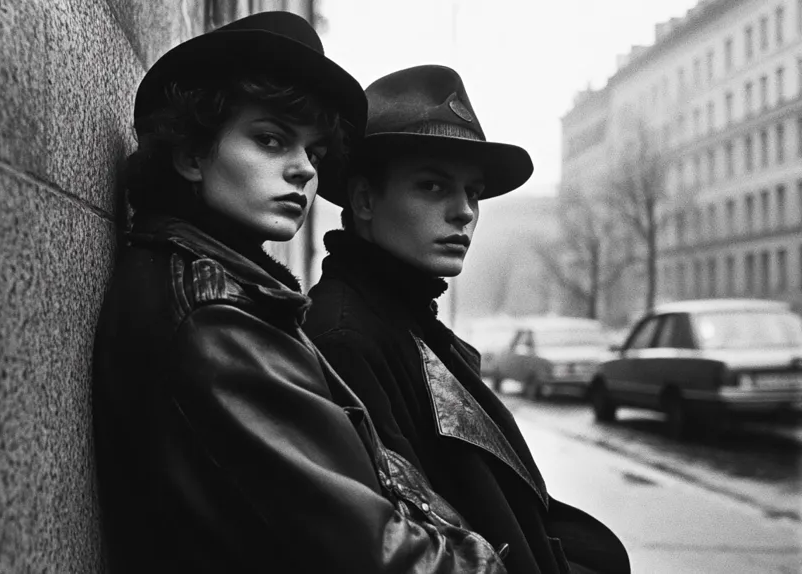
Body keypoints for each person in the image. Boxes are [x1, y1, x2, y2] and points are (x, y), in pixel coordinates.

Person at [92, 14, 509, 573]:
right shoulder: (215, 315)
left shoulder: (231, 291)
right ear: (192, 154)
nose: (302, 171)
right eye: (270, 140)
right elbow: (376, 555)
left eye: (313, 152)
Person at [303, 65, 631, 574]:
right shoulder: (346, 339)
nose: (464, 212)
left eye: (473, 192)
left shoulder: (410, 324)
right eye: (433, 186)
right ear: (365, 200)